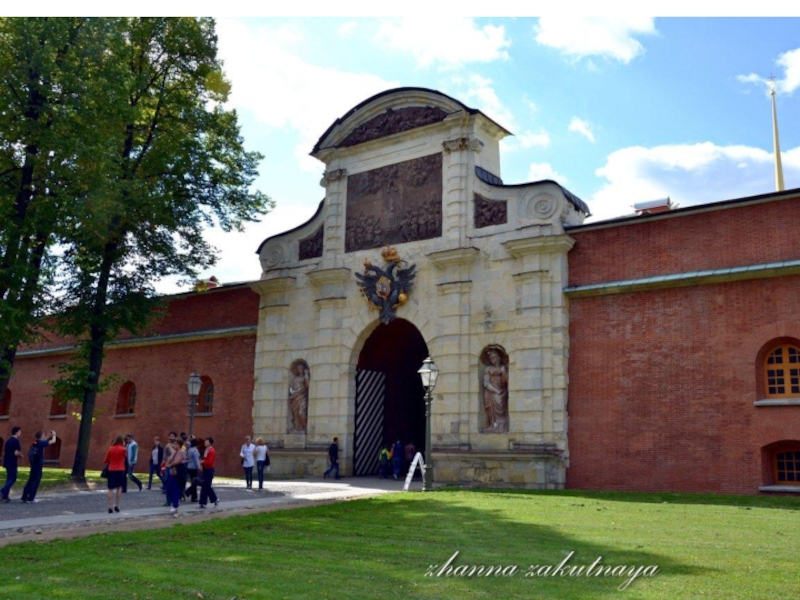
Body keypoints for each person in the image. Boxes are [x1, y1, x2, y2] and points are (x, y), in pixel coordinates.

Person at [21, 429, 57, 503]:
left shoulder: (35, 443)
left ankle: (24, 497)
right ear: (41, 435)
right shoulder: (41, 443)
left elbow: (44, 440)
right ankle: (31, 498)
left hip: (33, 464)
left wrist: (48, 435)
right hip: (38, 465)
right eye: (43, 435)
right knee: (36, 481)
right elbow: (53, 441)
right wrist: (54, 435)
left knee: (30, 480)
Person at [483, 348, 509, 432]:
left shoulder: (503, 368)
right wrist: (495, 391)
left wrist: (503, 372)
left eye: (494, 357)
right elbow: (486, 383)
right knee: (496, 399)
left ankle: (501, 425)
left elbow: (506, 381)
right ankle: (493, 424)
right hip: (492, 393)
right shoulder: (488, 369)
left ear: (499, 358)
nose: (492, 360)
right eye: (491, 358)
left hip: (502, 391)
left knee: (501, 401)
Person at [103, 435, 127, 514]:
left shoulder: (111, 448)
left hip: (111, 469)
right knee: (119, 488)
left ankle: (110, 507)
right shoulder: (123, 449)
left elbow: (105, 460)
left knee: (110, 489)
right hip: (120, 469)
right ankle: (117, 506)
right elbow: (125, 457)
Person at [1, 426, 22, 502]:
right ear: (16, 432)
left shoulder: (8, 441)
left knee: (9, 479)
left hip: (7, 461)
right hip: (12, 462)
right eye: (19, 431)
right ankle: (2, 491)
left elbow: (4, 452)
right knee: (13, 478)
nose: (20, 433)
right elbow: (16, 453)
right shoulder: (15, 441)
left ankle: (5, 496)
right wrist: (20, 454)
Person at [165, 439, 186, 515]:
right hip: (173, 471)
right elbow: (168, 460)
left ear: (179, 445)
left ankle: (175, 505)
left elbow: (177, 461)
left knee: (176, 489)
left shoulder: (182, 452)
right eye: (174, 444)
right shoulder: (175, 452)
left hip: (179, 471)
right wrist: (173, 454)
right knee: (169, 488)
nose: (174, 445)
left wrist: (170, 464)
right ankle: (173, 503)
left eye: (176, 444)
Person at [288, 362, 309, 432]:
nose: (300, 369)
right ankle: (297, 428)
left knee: (301, 413)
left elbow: (307, 386)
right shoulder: (295, 378)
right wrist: (293, 391)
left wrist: (306, 375)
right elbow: (291, 388)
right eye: (299, 368)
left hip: (302, 396)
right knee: (296, 414)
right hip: (295, 397)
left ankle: (305, 427)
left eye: (301, 368)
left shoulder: (304, 377)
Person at [198, 436, 218, 508]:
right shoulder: (207, 450)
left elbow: (209, 462)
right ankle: (203, 502)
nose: (205, 442)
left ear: (210, 443)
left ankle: (213, 499)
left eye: (206, 441)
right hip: (206, 469)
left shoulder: (212, 451)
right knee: (205, 486)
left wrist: (202, 462)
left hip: (209, 469)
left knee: (206, 485)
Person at [184, 438, 202, 502]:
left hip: (189, 467)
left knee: (193, 482)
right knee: (195, 482)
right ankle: (188, 492)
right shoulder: (195, 450)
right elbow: (196, 459)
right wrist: (199, 467)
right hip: (194, 468)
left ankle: (194, 497)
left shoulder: (189, 450)